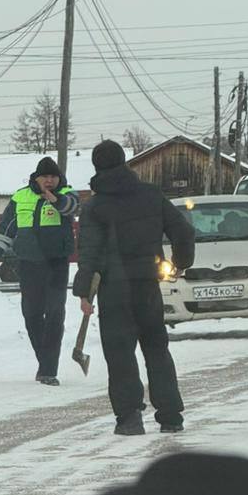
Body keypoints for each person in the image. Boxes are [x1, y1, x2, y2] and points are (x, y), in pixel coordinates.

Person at [73, 139, 195, 436]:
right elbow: (183, 230)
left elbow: (89, 253)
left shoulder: (94, 207)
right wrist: (181, 262)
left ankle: (129, 418)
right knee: (157, 349)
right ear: (124, 162)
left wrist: (84, 293)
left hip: (114, 290)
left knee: (120, 353)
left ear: (96, 167)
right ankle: (170, 417)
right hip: (147, 286)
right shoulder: (151, 196)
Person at [0, 156, 79, 385]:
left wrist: (54, 199)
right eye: (44, 176)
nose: (49, 180)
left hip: (56, 263)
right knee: (32, 314)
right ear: (36, 178)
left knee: (55, 314)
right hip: (28, 263)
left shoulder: (67, 193)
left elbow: (72, 208)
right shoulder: (20, 197)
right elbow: (6, 228)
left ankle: (49, 370)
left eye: (53, 176)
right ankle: (44, 361)